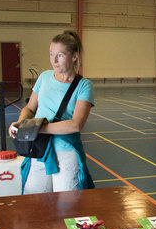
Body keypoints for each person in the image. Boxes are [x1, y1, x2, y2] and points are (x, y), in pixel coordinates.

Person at [9, 31, 94, 194]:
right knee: (34, 200)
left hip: (66, 152)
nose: (54, 60)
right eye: (51, 54)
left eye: (60, 55)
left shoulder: (84, 86)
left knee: (67, 203)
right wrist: (22, 124)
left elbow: (76, 125)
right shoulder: (44, 77)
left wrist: (37, 129)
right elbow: (30, 108)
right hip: (39, 148)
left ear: (74, 56)